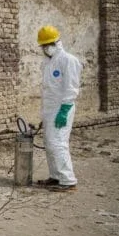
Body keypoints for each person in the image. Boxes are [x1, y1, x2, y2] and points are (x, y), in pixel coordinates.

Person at [35, 25, 82, 192]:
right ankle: (56, 176)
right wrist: (46, 113)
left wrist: (64, 110)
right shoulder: (47, 63)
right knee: (49, 142)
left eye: (46, 45)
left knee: (59, 143)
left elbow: (72, 87)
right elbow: (49, 89)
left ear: (55, 43)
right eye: (43, 46)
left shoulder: (68, 60)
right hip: (49, 109)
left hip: (63, 108)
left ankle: (68, 180)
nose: (44, 49)